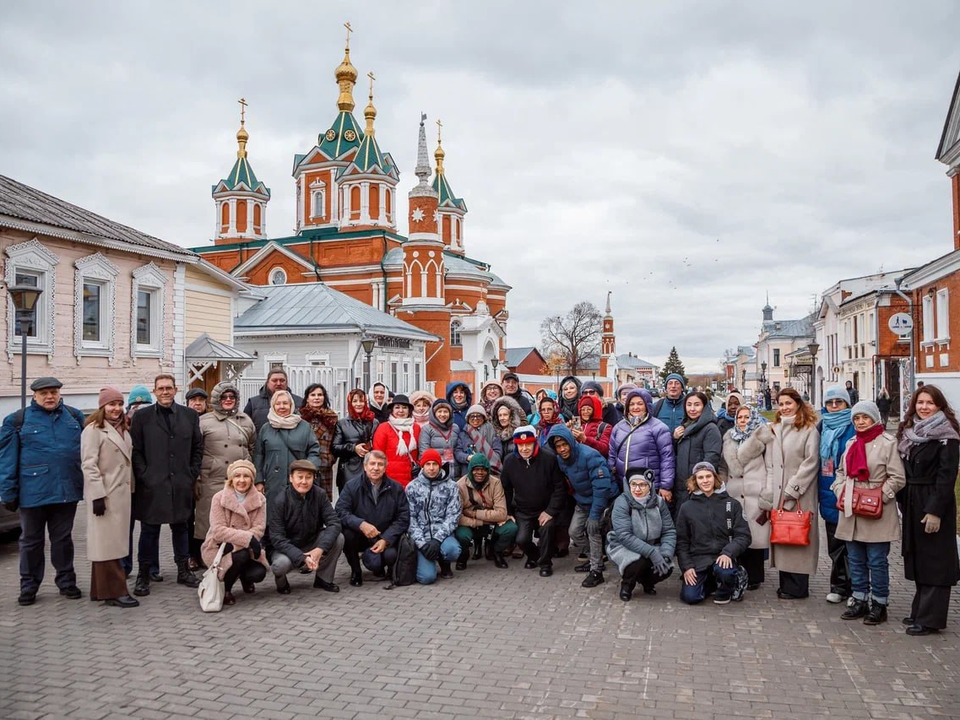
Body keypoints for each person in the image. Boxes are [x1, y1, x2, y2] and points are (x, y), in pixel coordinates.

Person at [0, 377, 85, 606]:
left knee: (63, 540)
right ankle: (28, 586)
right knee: (31, 542)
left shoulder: (74, 416)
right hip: (32, 493)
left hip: (66, 491)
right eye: (44, 393)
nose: (50, 397)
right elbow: (7, 459)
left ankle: (66, 582)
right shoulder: (18, 420)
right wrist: (8, 492)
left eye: (54, 392)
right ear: (34, 396)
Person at [831, 401, 905, 626]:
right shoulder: (852, 442)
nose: (860, 422)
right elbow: (841, 471)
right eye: (856, 419)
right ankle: (859, 599)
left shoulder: (887, 443)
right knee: (855, 559)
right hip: (852, 509)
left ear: (874, 419)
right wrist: (840, 489)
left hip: (877, 511)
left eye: (865, 418)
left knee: (876, 560)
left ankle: (879, 604)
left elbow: (898, 477)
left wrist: (879, 496)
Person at [130, 374, 203, 596]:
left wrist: (191, 473)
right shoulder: (142, 417)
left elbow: (197, 448)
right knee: (149, 530)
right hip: (152, 484)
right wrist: (145, 475)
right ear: (154, 391)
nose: (165, 392)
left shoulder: (189, 415)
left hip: (181, 482)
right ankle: (144, 573)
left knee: (181, 527)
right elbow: (136, 450)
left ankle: (183, 570)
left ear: (175, 389)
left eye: (168, 388)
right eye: (160, 388)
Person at [896, 385, 960, 635]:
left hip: (933, 500)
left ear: (940, 406)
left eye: (930, 403)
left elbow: (946, 477)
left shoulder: (947, 436)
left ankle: (931, 618)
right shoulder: (912, 432)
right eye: (920, 402)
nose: (924, 407)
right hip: (912, 500)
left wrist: (935, 511)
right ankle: (919, 610)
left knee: (935, 559)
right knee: (919, 556)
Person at [760, 387, 820, 600]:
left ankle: (798, 587)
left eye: (788, 403)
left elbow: (811, 462)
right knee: (784, 537)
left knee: (798, 536)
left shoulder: (808, 429)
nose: (784, 408)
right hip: (778, 493)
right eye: (781, 404)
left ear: (798, 404)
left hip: (799, 493)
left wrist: (792, 490)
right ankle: (786, 583)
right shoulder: (775, 428)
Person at [80, 387, 138, 608]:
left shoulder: (123, 428)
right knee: (107, 545)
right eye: (111, 404)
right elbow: (88, 464)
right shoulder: (94, 430)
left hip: (121, 495)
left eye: (119, 404)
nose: (116, 409)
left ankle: (101, 590)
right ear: (102, 406)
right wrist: (96, 495)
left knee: (109, 544)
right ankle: (117, 591)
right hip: (105, 496)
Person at [195, 382, 255, 571]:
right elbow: (195, 451)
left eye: (232, 397)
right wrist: (196, 478)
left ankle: (236, 557)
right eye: (224, 397)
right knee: (208, 520)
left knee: (237, 518)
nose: (228, 400)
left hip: (239, 480)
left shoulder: (245, 420)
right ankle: (204, 557)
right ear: (216, 400)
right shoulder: (204, 421)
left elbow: (252, 446)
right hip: (212, 477)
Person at [676, 462, 751, 605]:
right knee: (690, 598)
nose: (705, 481)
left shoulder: (732, 504)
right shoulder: (687, 507)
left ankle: (726, 588)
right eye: (700, 477)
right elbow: (682, 541)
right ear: (695, 481)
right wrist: (687, 567)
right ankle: (709, 583)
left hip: (723, 556)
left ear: (715, 477)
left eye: (708, 476)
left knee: (725, 572)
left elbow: (744, 536)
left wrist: (728, 552)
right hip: (699, 558)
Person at [547, 425, 613, 588]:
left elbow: (602, 487)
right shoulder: (560, 459)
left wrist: (595, 515)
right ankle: (594, 559)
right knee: (574, 532)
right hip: (582, 500)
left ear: (571, 442)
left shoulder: (590, 456)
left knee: (593, 530)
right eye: (558, 446)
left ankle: (597, 571)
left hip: (600, 499)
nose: (562, 449)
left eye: (565, 445)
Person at [500, 426, 568, 577]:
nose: (524, 448)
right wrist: (508, 512)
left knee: (547, 531)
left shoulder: (549, 458)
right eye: (520, 445)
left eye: (528, 444)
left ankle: (545, 563)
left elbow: (560, 488)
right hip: (523, 510)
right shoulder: (509, 461)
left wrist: (550, 511)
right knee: (522, 539)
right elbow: (506, 488)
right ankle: (534, 556)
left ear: (535, 443)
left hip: (545, 509)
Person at [335, 450, 410, 586]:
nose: (376, 468)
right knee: (347, 535)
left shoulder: (396, 488)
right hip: (361, 535)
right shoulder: (351, 486)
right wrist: (361, 524)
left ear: (385, 468)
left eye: (380, 464)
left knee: (390, 556)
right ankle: (356, 571)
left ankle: (385, 568)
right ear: (365, 466)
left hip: (385, 536)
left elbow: (403, 517)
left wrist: (386, 539)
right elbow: (340, 511)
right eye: (372, 464)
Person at [268, 459, 344, 594]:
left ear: (313, 478)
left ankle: (323, 579)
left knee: (338, 538)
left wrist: (320, 549)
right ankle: (281, 582)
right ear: (291, 478)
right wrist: (301, 557)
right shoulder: (280, 500)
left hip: (311, 541)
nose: (304, 481)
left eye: (308, 477)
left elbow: (334, 522)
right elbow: (277, 538)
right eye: (300, 476)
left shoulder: (319, 494)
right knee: (280, 565)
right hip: (287, 547)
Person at [201, 459, 269, 606]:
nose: (242, 480)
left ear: (252, 479)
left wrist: (247, 540)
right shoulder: (219, 498)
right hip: (219, 546)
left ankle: (245, 578)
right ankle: (226, 589)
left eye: (246, 476)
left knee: (258, 573)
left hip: (246, 546)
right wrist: (247, 539)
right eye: (237, 476)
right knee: (241, 555)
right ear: (231, 478)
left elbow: (259, 527)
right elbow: (218, 530)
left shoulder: (260, 499)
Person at [719, 405, 773, 589]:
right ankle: (738, 571)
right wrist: (723, 488)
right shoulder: (728, 438)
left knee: (755, 537)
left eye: (747, 417)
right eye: (740, 417)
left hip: (755, 492)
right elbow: (724, 468)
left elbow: (771, 467)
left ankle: (755, 577)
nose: (743, 420)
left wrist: (767, 493)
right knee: (736, 535)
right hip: (734, 493)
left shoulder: (764, 438)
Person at [606, 468, 676, 601]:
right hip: (622, 546)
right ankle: (627, 584)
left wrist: (666, 553)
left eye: (642, 485)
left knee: (666, 567)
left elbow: (669, 531)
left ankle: (647, 582)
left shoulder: (659, 503)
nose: (637, 489)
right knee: (638, 562)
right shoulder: (622, 502)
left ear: (650, 486)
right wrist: (652, 553)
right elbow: (625, 536)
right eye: (633, 484)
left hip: (651, 544)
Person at [817, 385, 856, 605]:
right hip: (827, 492)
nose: (833, 406)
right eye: (830, 403)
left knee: (853, 546)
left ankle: (856, 590)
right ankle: (838, 586)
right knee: (835, 544)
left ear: (846, 404)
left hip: (848, 492)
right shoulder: (822, 426)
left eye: (838, 402)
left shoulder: (853, 425)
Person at [254, 390, 320, 506]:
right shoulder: (266, 428)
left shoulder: (304, 427)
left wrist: (307, 471)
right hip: (273, 482)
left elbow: (314, 451)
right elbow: (258, 455)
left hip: (299, 482)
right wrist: (259, 481)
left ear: (291, 405)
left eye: (285, 403)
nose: (282, 407)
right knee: (274, 517)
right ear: (273, 406)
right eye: (278, 404)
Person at [406, 449, 462, 583]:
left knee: (452, 550)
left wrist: (437, 540)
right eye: (428, 464)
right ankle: (423, 559)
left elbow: (453, 516)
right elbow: (410, 518)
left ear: (440, 465)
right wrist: (422, 544)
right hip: (422, 537)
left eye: (435, 464)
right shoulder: (411, 488)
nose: (431, 468)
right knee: (427, 578)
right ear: (422, 466)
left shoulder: (452, 487)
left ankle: (445, 563)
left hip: (442, 535)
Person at [608, 389, 675, 500]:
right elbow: (612, 454)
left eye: (640, 404)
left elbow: (667, 458)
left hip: (647, 485)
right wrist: (611, 478)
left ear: (647, 405)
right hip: (623, 485)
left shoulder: (659, 428)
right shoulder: (619, 427)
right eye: (632, 404)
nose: (635, 407)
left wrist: (665, 486)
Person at [455, 453, 516, 570]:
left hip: (488, 521)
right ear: (470, 470)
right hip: (471, 523)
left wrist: (474, 513)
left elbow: (502, 513)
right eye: (476, 469)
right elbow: (458, 517)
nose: (480, 473)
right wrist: (480, 522)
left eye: (483, 470)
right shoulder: (459, 485)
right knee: (461, 534)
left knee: (511, 528)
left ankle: (496, 551)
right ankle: (463, 555)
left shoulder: (496, 483)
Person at [122, 385, 154, 579]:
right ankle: (125, 566)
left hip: (149, 483)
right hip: (127, 486)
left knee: (151, 529)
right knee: (126, 529)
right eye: (136, 405)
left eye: (144, 405)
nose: (139, 409)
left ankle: (152, 567)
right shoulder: (122, 427)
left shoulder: (154, 423)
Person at [673, 391, 722, 515]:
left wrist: (697, 481)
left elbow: (711, 458)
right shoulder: (685, 426)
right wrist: (674, 438)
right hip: (682, 487)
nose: (692, 409)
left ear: (704, 407)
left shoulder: (710, 428)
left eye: (697, 405)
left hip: (698, 487)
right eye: (689, 405)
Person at [332, 388, 379, 491]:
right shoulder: (342, 423)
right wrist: (353, 448)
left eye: (361, 401)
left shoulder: (374, 422)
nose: (358, 404)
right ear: (350, 403)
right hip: (348, 470)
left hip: (370, 468)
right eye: (355, 401)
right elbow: (335, 448)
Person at [372, 394, 421, 488]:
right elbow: (378, 454)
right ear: (392, 410)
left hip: (411, 478)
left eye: (404, 407)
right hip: (389, 479)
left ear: (409, 410)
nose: (401, 411)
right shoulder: (384, 428)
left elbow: (420, 451)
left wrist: (418, 465)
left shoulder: (416, 428)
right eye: (397, 407)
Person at [299, 383, 339, 497]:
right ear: (307, 398)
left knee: (323, 504)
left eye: (320, 395)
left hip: (324, 466)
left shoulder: (332, 418)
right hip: (304, 465)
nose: (316, 398)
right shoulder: (299, 417)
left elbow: (336, 442)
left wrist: (330, 458)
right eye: (313, 395)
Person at [455, 405, 503, 474]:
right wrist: (468, 457)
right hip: (468, 473)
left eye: (478, 416)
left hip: (489, 472)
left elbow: (498, 453)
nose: (475, 418)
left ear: (484, 418)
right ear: (468, 419)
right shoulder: (463, 435)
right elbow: (458, 452)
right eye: (472, 416)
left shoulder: (492, 432)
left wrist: (481, 460)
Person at [418, 398, 460, 476]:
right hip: (434, 471)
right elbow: (424, 453)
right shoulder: (427, 429)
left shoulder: (455, 428)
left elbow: (458, 449)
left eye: (445, 411)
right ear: (434, 413)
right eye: (439, 411)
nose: (443, 414)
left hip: (454, 470)